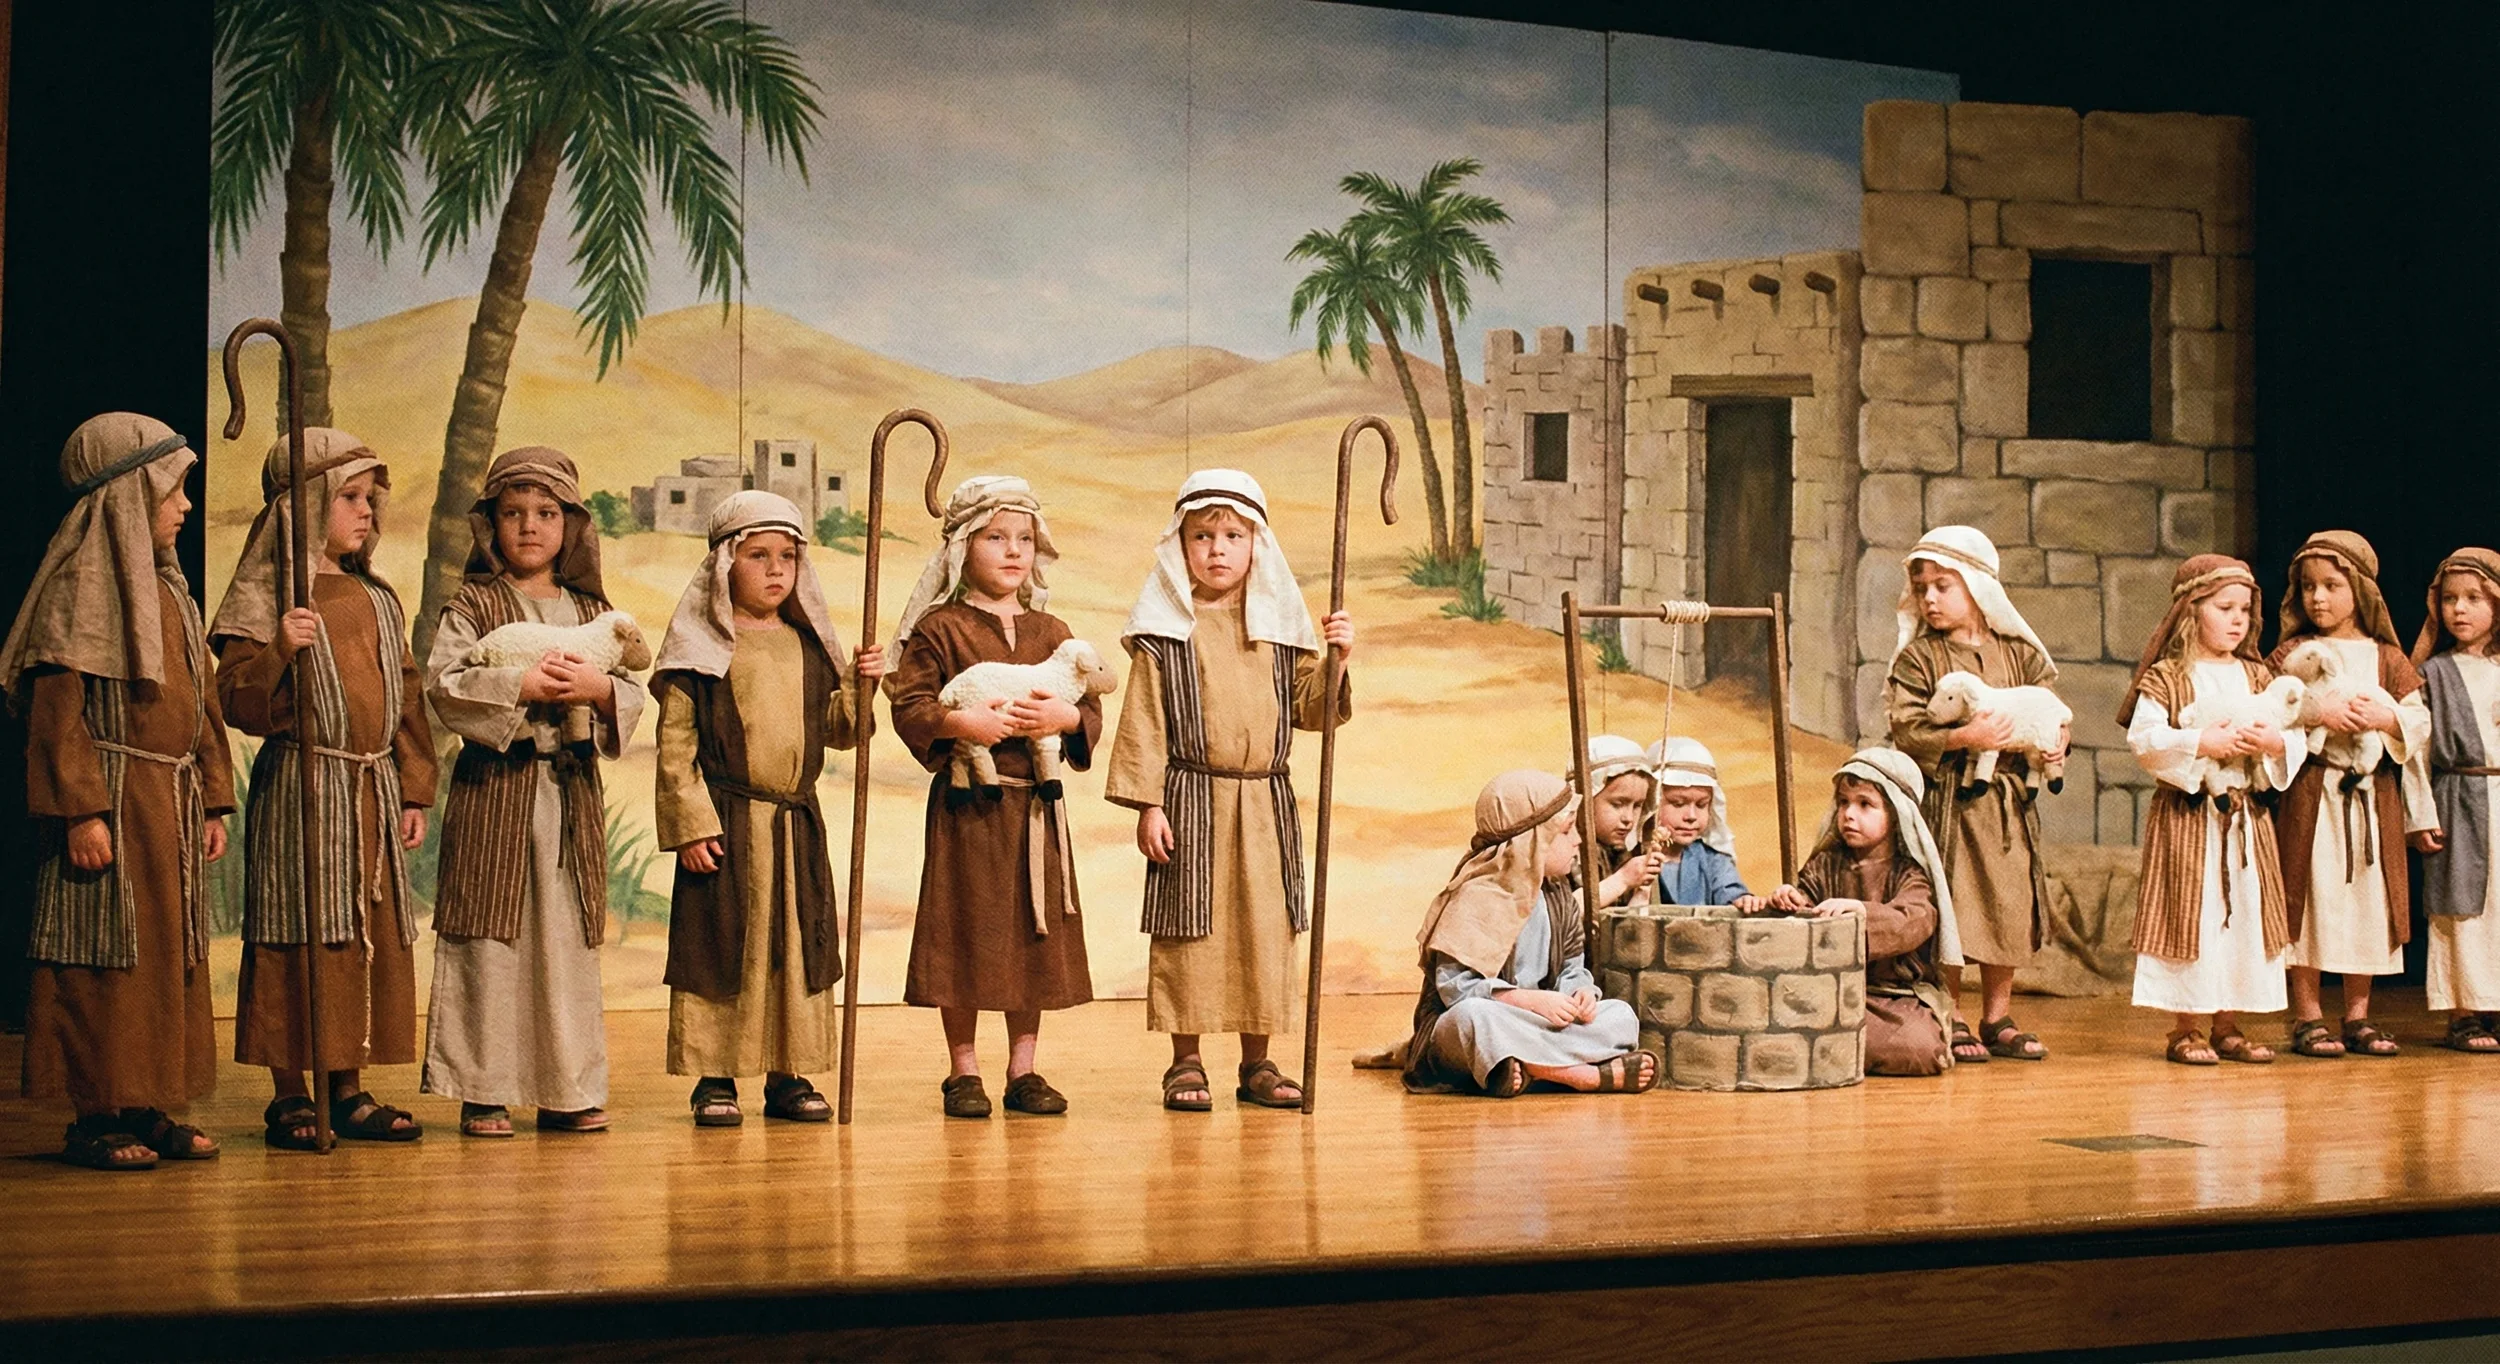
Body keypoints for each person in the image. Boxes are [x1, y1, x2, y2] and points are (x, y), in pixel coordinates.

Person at [3, 415, 234, 1169]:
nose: (186, 506)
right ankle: (95, 1113)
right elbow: (56, 716)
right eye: (174, 490)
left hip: (166, 802)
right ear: (129, 495)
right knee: (101, 958)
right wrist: (80, 810)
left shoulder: (169, 592)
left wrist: (214, 795)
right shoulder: (80, 591)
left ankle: (146, 1100)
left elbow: (201, 699)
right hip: (110, 798)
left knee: (164, 961)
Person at [212, 427, 436, 1148]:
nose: (365, 512)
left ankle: (347, 1085)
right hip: (303, 790)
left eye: (370, 499)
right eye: (348, 498)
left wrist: (413, 788)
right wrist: (279, 647)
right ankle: (288, 1093)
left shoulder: (376, 597)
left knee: (357, 935)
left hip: (367, 788)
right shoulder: (272, 598)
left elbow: (404, 698)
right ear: (306, 505)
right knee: (296, 929)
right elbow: (238, 704)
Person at [1106, 469, 1352, 1112]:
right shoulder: (1165, 630)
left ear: (1256, 545)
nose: (1217, 548)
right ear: (1180, 545)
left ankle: (1258, 1062)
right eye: (1202, 535)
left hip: (1264, 801)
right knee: (1188, 927)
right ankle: (1185, 1062)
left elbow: (1311, 708)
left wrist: (1336, 660)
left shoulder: (1280, 627)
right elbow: (1145, 721)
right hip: (1191, 799)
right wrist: (1149, 805)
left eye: (1232, 535)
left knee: (1263, 930)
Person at [421, 447, 644, 1136]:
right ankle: (482, 1086)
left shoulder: (591, 607)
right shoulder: (475, 603)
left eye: (546, 514)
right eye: (513, 513)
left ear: (571, 526)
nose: (529, 527)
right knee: (490, 936)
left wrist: (600, 690)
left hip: (567, 788)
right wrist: (517, 686)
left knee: (562, 942)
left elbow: (632, 684)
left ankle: (566, 1087)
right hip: (497, 787)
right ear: (491, 524)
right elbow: (443, 683)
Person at [651, 491, 885, 1126]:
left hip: (793, 826)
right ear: (726, 563)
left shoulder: (808, 647)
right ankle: (715, 1076)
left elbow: (842, 730)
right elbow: (676, 747)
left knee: (794, 950)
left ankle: (790, 1073)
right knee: (725, 950)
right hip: (728, 825)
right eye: (758, 556)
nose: (776, 570)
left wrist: (862, 686)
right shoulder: (700, 653)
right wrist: (692, 825)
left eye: (787, 556)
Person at [885, 476, 1099, 1118]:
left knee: (1033, 932)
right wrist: (960, 726)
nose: (1013, 551)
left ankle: (1024, 1069)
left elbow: (1087, 701)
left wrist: (1065, 720)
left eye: (1024, 539)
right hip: (969, 808)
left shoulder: (1051, 628)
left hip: (1035, 805)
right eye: (995, 538)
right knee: (966, 930)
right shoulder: (940, 627)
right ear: (961, 548)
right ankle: (963, 1070)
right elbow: (911, 702)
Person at [1884, 525, 2066, 1064]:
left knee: (2006, 905)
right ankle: (1951, 1012)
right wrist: (1967, 739)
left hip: (2007, 804)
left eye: (1944, 586)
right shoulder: (1920, 660)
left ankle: (1997, 1015)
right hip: (1950, 807)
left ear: (1978, 589)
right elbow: (1907, 729)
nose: (1930, 598)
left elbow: (2048, 710)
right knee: (1955, 907)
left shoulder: (2020, 656)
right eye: (1922, 589)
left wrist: (2055, 746)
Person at [2123, 555, 2301, 1066]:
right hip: (2191, 818)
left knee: (2242, 917)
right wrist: (2202, 741)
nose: (2237, 619)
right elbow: (2145, 738)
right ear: (2191, 611)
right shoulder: (2169, 675)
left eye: (2245, 609)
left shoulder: (2257, 673)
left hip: (2246, 818)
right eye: (2224, 608)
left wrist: (2274, 742)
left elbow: (2292, 734)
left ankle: (2229, 1023)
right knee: (2191, 916)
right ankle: (2186, 1027)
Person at [2267, 531, 2427, 1059]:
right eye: (2308, 586)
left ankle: (2358, 1014)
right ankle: (2308, 1014)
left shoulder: (2385, 657)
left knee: (2366, 903)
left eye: (2331, 585)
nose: (2317, 597)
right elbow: (2268, 707)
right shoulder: (2291, 652)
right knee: (2308, 899)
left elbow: (2420, 718)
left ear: (2358, 589)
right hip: (2313, 794)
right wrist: (2317, 714)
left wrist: (2387, 717)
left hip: (2369, 798)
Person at [1399, 768, 1654, 1097]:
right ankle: (1575, 1074)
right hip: (1493, 1015)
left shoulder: (1557, 895)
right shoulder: (1477, 894)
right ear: (1532, 839)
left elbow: (1572, 967)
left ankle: (1522, 1066)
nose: (1578, 840)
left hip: (1539, 1022)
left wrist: (1582, 994)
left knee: (1620, 1016)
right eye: (1565, 831)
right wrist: (1526, 1000)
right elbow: (1456, 988)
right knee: (1473, 1019)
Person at [1759, 748, 1962, 1076]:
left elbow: (1913, 920)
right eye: (1843, 802)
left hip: (1890, 999)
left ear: (1896, 814)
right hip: (1831, 990)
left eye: (1865, 804)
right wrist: (1789, 901)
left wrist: (1860, 912)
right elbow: (1806, 910)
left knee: (1917, 1047)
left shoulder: (1909, 874)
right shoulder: (1825, 864)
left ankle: (1831, 1050)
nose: (1849, 814)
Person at [2402, 548, 2500, 1053]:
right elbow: (2416, 751)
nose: (2459, 610)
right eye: (2449, 600)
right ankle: (2464, 1012)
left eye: (2473, 598)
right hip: (2459, 797)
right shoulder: (2432, 673)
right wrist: (2419, 814)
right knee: (2460, 911)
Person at [1646, 735, 1761, 910]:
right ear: (1651, 802)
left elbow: (1731, 892)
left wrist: (1743, 900)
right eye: (1678, 804)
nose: (1691, 816)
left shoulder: (1712, 860)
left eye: (1701, 805)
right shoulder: (1632, 856)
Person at [1581, 734, 1664, 908]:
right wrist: (1623, 879)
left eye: (1637, 806)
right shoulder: (1569, 854)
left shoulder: (1623, 854)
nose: (1628, 818)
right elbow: (1567, 913)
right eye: (1617, 804)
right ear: (1587, 799)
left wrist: (1643, 890)